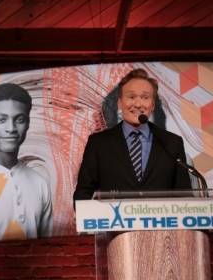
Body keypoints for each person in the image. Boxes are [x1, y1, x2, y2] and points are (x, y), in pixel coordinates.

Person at [73, 68, 192, 201]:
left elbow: (185, 194)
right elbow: (83, 193)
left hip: (161, 220)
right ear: (120, 102)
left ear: (152, 105)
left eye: (145, 97)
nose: (138, 104)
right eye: (131, 97)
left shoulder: (172, 143)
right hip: (115, 220)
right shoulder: (99, 143)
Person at [0, 82, 53, 240]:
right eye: (1, 120)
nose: (11, 128)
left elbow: (47, 250)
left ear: (28, 123)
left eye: (19, 119)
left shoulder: (39, 183)